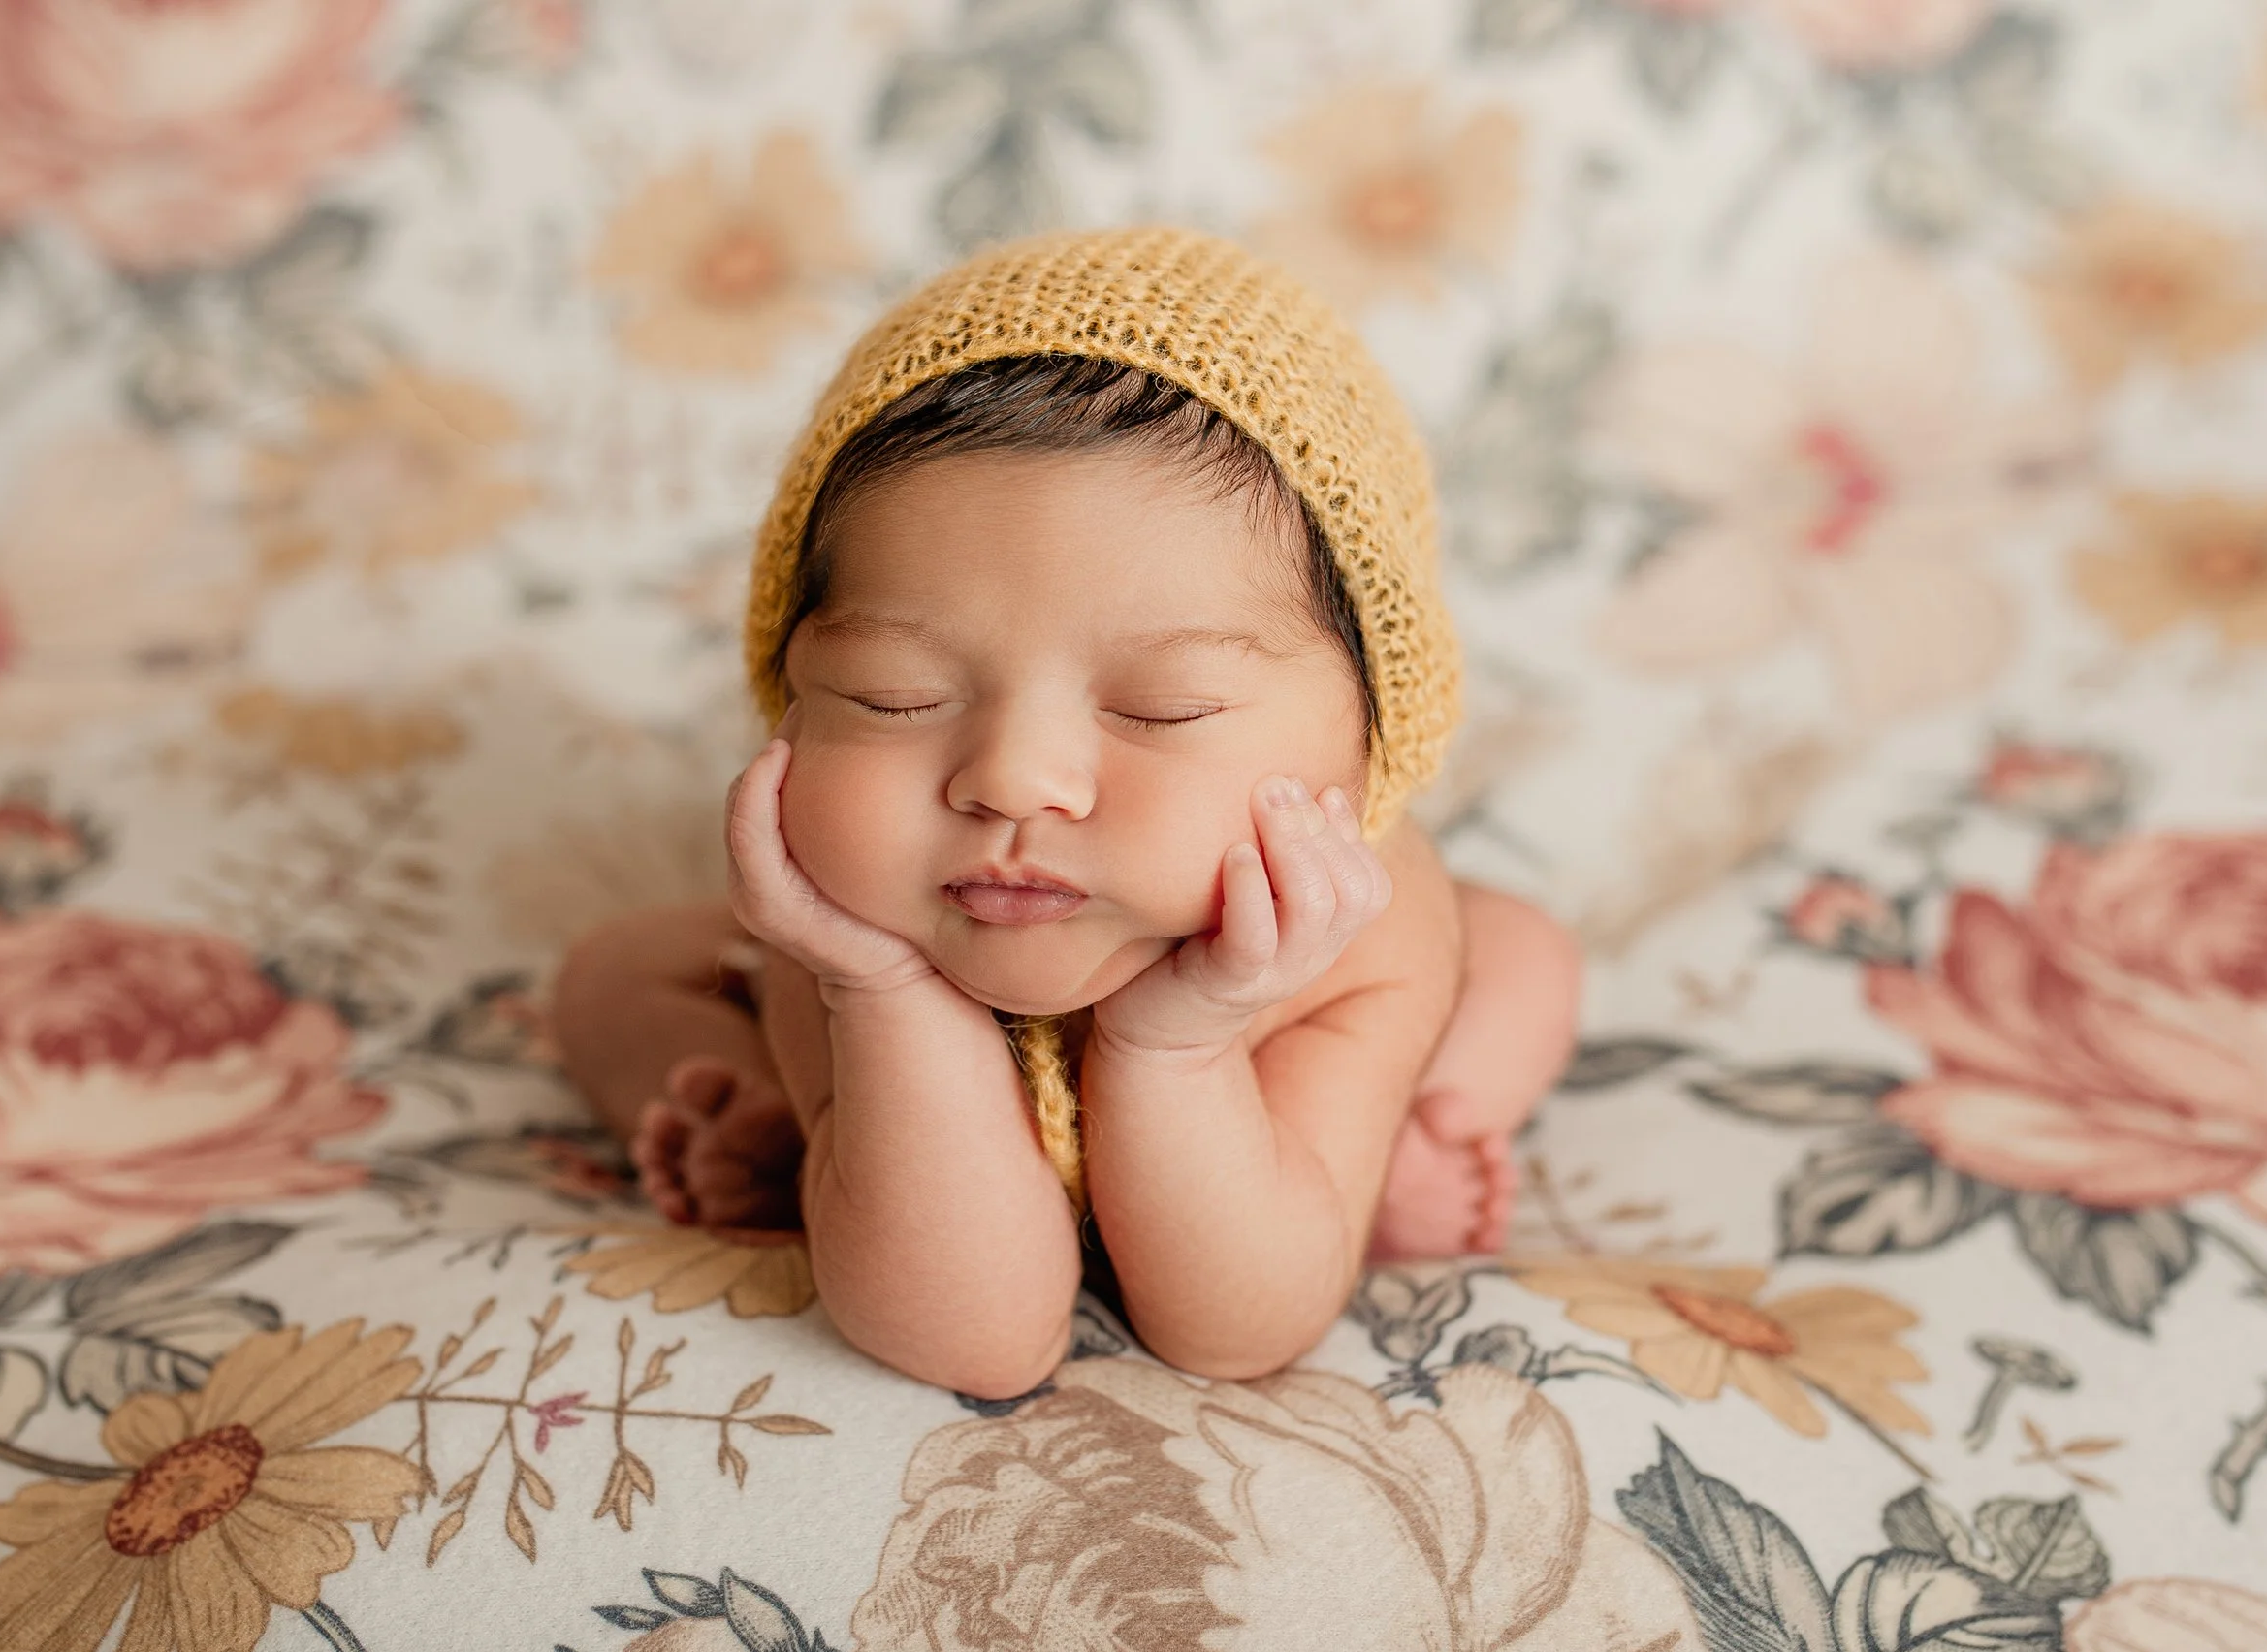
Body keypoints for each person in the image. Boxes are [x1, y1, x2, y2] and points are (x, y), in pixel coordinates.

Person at [550, 226, 1581, 1400]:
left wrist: (1176, 1041)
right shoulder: (859, 917)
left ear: (1368, 741)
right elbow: (982, 1340)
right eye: (898, 697)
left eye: (1164, 709)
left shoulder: (1354, 950)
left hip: (1283, 1039)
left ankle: (1387, 1142)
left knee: (1519, 956)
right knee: (608, 972)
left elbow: (1229, 1333)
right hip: (896, 997)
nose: (1013, 780)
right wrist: (876, 989)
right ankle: (807, 1137)